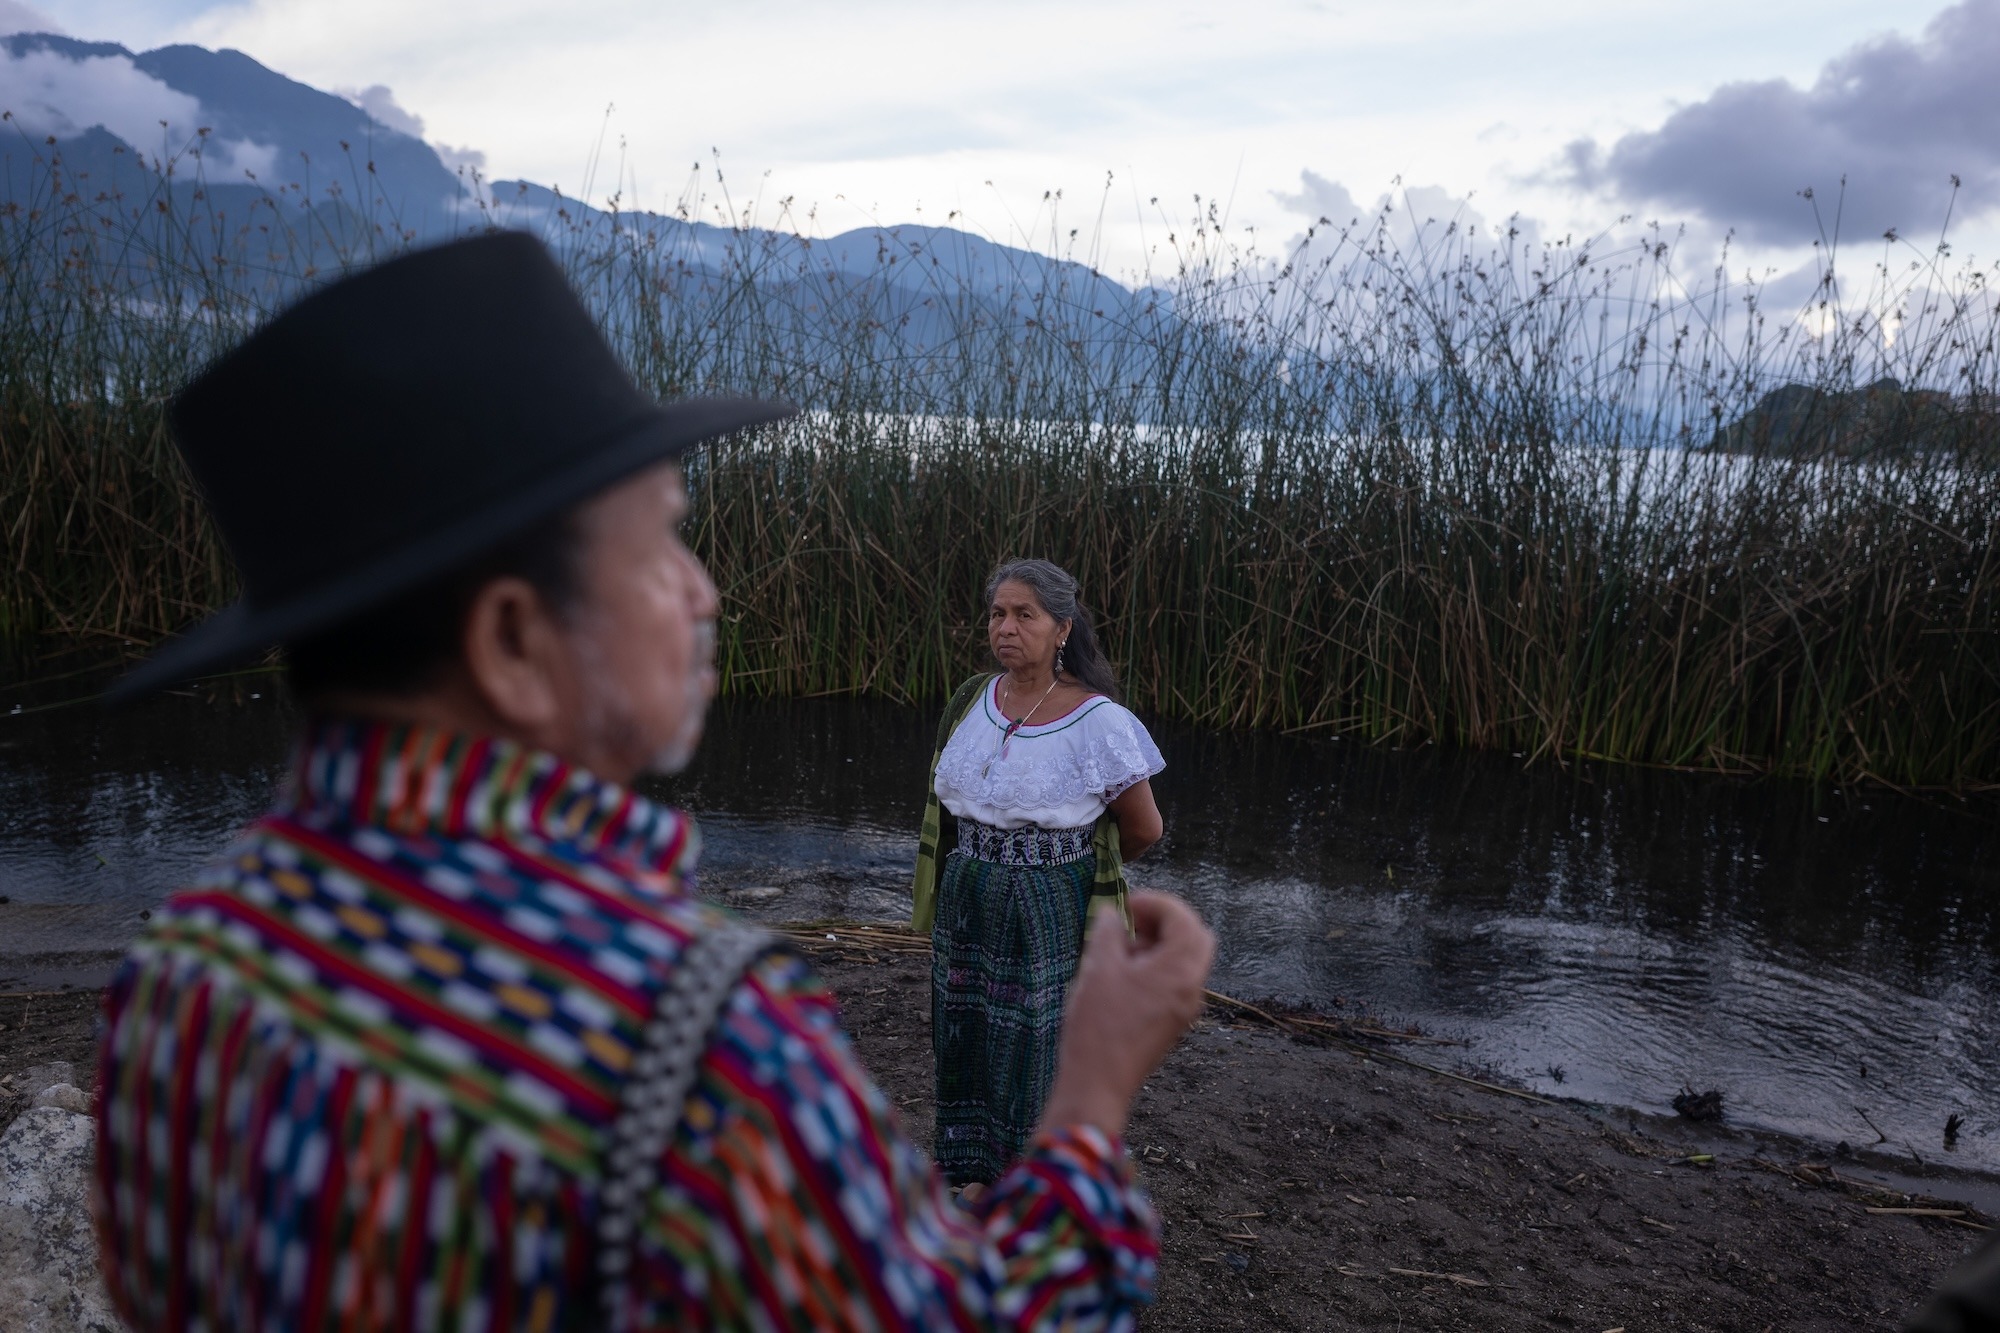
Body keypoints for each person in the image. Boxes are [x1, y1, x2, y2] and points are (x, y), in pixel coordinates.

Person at [91, 233, 1216, 1331]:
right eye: (660, 549)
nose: (701, 593)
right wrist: (1092, 1092)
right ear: (513, 641)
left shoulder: (182, 973)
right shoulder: (689, 1034)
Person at [909, 559, 1168, 1194]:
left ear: (1061, 629)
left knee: (1031, 1048)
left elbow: (1143, 829)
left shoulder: (1097, 720)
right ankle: (972, 1176)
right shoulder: (974, 699)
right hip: (967, 894)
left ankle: (1030, 1190)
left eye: (1025, 614)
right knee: (962, 1030)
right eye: (998, 613)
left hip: (1043, 904)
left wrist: (1064, 876)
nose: (1006, 627)